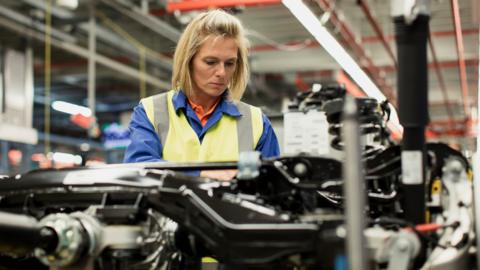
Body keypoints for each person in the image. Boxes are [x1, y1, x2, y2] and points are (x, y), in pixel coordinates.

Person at [124, 9, 280, 180]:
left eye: (229, 63)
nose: (221, 72)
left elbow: (274, 186)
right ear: (188, 60)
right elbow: (139, 170)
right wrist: (202, 175)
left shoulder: (256, 122)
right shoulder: (150, 111)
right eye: (211, 62)